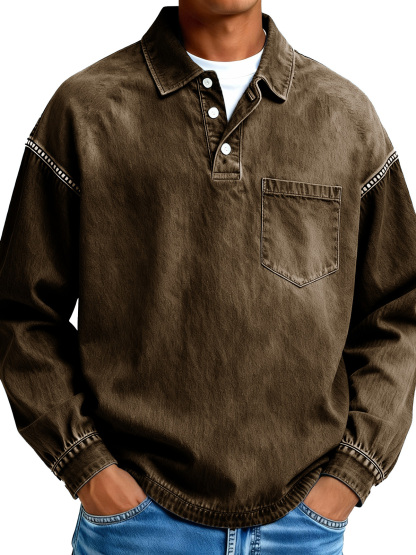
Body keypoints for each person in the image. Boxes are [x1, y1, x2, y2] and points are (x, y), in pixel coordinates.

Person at [1, 1, 415, 554]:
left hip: (302, 529)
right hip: (135, 529)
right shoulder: (85, 111)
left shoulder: (345, 118)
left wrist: (350, 475)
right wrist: (88, 467)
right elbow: (22, 311)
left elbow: (399, 311)